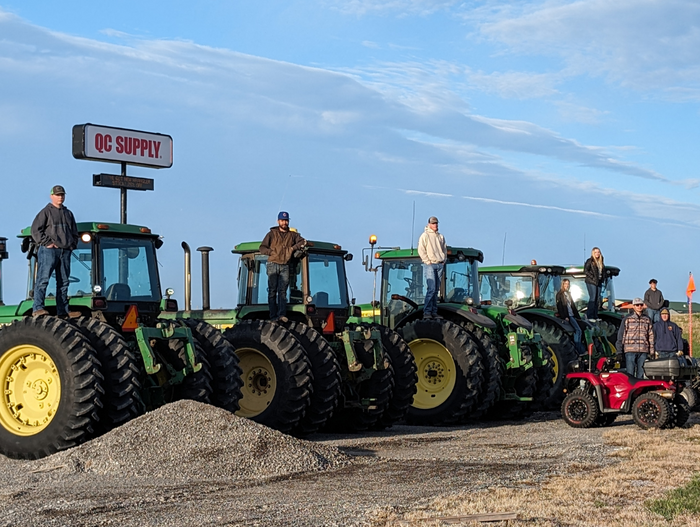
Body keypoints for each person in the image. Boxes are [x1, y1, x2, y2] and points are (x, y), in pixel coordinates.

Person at [31, 185, 79, 318]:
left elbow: (75, 232)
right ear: (51, 196)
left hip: (65, 251)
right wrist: (48, 244)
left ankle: (63, 311)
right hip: (49, 251)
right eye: (58, 195)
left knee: (64, 282)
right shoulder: (45, 212)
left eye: (62, 194)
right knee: (43, 279)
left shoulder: (68, 213)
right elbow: (35, 230)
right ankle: (38, 308)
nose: (60, 197)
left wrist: (71, 245)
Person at [259, 211, 305, 322]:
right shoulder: (271, 234)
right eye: (282, 220)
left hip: (285, 265)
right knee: (272, 291)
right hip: (272, 264)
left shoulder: (293, 235)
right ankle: (273, 316)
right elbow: (262, 248)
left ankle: (281, 315)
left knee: (283, 291)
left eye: (286, 220)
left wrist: (292, 248)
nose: (284, 222)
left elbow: (303, 241)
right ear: (278, 221)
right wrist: (272, 253)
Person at [616, 297, 654, 378]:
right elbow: (621, 335)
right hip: (630, 350)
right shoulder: (627, 319)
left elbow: (651, 336)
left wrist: (652, 351)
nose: (639, 306)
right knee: (630, 374)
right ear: (633, 306)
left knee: (641, 375)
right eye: (637, 305)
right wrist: (619, 351)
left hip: (643, 350)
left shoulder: (647, 320)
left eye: (641, 304)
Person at [418, 216, 446, 320]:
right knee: (432, 289)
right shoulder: (424, 236)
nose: (435, 225)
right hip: (430, 264)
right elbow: (421, 250)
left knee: (436, 290)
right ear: (429, 224)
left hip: (439, 264)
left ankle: (433, 311)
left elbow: (444, 249)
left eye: (436, 223)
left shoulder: (441, 237)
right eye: (433, 223)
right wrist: (427, 261)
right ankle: (427, 312)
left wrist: (444, 260)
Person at [556, 278, 584, 354]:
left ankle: (581, 348)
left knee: (579, 330)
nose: (567, 285)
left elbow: (573, 306)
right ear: (562, 284)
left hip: (572, 315)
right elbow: (560, 307)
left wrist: (578, 317)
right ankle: (578, 349)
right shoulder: (560, 295)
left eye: (568, 284)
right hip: (568, 316)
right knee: (578, 330)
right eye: (565, 284)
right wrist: (565, 316)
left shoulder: (568, 294)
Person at [584, 247, 605, 321]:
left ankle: (595, 315)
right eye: (596, 252)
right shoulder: (590, 261)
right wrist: (592, 277)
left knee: (597, 298)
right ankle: (590, 316)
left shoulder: (601, 262)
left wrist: (603, 278)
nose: (597, 253)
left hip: (598, 281)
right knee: (593, 297)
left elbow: (602, 272)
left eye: (598, 252)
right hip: (591, 281)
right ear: (593, 253)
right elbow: (586, 270)